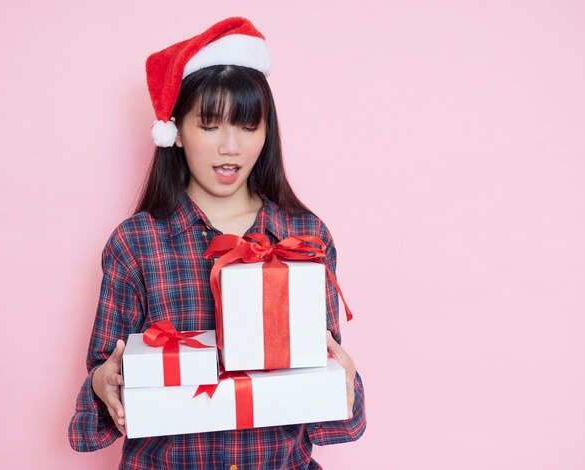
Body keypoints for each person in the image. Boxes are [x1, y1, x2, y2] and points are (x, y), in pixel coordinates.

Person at [68, 17, 366, 469]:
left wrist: (342, 381)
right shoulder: (137, 244)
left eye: (248, 127)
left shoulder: (304, 238)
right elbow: (105, 383)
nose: (231, 147)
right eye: (209, 126)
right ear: (176, 132)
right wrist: (103, 384)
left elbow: (326, 401)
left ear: (267, 134)